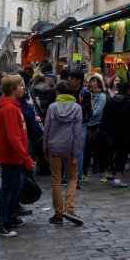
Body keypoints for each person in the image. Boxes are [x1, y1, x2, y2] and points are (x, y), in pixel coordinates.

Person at [0, 74, 35, 238]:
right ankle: (2, 222)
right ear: (13, 88)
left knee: (15, 187)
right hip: (11, 156)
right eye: (21, 85)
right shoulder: (9, 108)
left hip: (15, 155)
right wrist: (26, 158)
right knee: (8, 189)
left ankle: (10, 217)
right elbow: (13, 138)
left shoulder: (13, 105)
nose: (23, 88)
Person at [43, 80, 83, 225]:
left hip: (54, 147)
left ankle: (58, 213)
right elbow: (78, 133)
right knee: (72, 178)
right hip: (69, 147)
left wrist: (45, 149)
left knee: (56, 180)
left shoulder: (52, 107)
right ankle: (69, 208)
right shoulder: (77, 108)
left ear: (58, 93)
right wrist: (76, 153)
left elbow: (46, 130)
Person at [102, 81, 130, 188]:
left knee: (116, 153)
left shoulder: (112, 101)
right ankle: (118, 177)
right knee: (122, 155)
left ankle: (116, 174)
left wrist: (105, 129)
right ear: (128, 90)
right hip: (126, 134)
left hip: (113, 133)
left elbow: (105, 117)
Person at [82, 74, 107, 182]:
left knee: (99, 150)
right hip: (87, 124)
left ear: (99, 83)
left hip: (97, 125)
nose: (91, 83)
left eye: (94, 81)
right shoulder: (87, 93)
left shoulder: (102, 96)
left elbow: (98, 111)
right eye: (91, 81)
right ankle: (84, 173)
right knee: (86, 150)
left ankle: (102, 172)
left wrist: (87, 115)